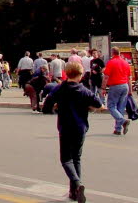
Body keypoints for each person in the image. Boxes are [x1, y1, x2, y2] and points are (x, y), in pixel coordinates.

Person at [43, 61, 102, 203]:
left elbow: (47, 105)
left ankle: (77, 183)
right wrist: (89, 108)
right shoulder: (84, 91)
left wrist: (55, 107)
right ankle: (74, 192)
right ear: (81, 75)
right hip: (80, 128)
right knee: (76, 158)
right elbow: (99, 104)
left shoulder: (59, 89)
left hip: (65, 127)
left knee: (65, 159)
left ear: (66, 73)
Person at [101, 47, 132, 136]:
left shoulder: (111, 62)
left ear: (112, 53)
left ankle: (123, 121)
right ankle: (117, 129)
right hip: (125, 86)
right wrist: (130, 89)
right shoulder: (125, 62)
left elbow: (106, 77)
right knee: (121, 108)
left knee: (111, 106)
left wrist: (103, 88)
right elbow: (129, 77)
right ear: (119, 53)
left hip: (115, 86)